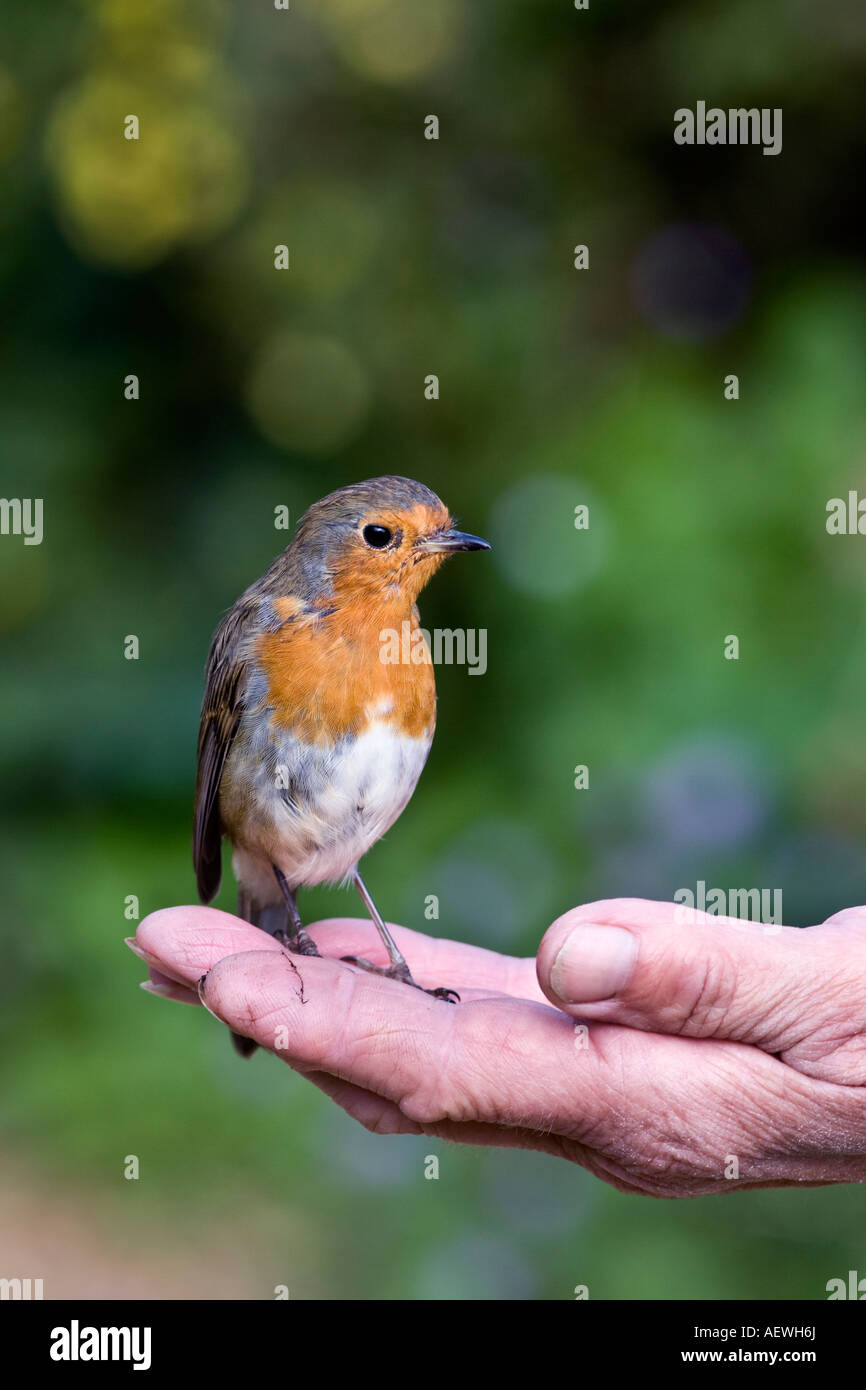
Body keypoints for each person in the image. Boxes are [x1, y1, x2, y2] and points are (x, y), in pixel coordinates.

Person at [127, 898, 866, 1196]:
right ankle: (280, 935)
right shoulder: (283, 632)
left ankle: (358, 957)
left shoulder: (407, 656)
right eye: (386, 545)